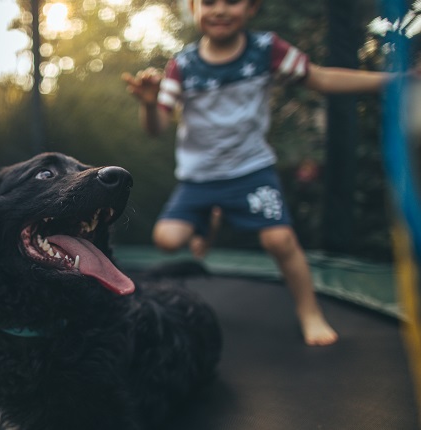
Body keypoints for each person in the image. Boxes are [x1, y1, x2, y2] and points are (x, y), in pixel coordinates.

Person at [122, 0, 395, 346]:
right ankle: (213, 215)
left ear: (251, 8)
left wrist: (391, 82)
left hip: (250, 171)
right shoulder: (183, 65)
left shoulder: (267, 50)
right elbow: (157, 127)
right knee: (167, 240)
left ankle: (310, 313)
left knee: (279, 240)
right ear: (193, 8)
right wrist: (148, 103)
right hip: (199, 178)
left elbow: (321, 77)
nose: (219, 10)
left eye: (232, 2)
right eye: (208, 2)